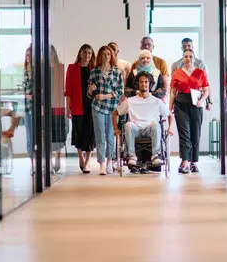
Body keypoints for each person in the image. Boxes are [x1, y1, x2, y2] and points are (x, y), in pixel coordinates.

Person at [113, 71, 172, 169]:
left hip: (150, 129)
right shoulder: (130, 101)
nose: (144, 84)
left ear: (150, 84)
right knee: (128, 125)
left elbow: (169, 115)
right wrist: (115, 129)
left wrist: (170, 128)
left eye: (146, 82)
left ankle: (155, 155)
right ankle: (132, 156)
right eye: (141, 82)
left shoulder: (157, 101)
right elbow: (115, 114)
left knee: (156, 124)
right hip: (136, 129)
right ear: (137, 84)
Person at [169, 49, 209, 174]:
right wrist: (170, 108)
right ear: (182, 59)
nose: (188, 59)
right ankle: (185, 161)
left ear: (194, 58)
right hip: (181, 103)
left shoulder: (200, 72)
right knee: (184, 133)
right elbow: (172, 92)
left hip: (196, 104)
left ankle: (194, 161)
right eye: (185, 57)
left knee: (195, 133)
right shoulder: (177, 73)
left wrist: (202, 100)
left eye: (190, 56)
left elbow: (206, 90)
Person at [88, 45, 124, 175]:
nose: (106, 56)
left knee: (110, 135)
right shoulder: (94, 72)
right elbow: (89, 93)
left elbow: (120, 91)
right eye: (103, 54)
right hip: (97, 107)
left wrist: (105, 96)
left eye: (108, 54)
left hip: (112, 108)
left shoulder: (117, 72)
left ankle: (110, 161)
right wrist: (91, 90)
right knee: (100, 135)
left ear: (112, 56)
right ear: (99, 56)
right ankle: (101, 162)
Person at [65, 44, 97, 174]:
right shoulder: (72, 69)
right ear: (80, 53)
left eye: (89, 53)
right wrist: (68, 107)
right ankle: (81, 157)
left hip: (92, 106)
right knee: (78, 132)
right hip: (77, 105)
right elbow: (68, 90)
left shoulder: (94, 69)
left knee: (90, 133)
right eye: (84, 52)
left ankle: (88, 161)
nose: (87, 55)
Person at [171, 37, 212, 110]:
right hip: (181, 100)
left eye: (189, 46)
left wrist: (209, 101)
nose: (186, 47)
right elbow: (173, 88)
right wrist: (171, 105)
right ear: (181, 48)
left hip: (197, 98)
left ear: (192, 47)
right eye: (184, 46)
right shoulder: (176, 65)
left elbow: (206, 84)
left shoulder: (200, 64)